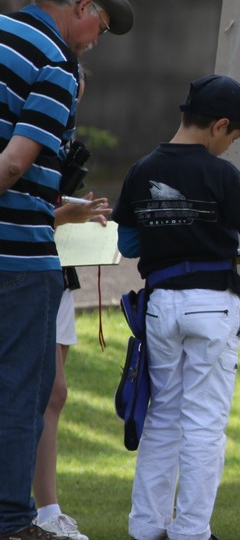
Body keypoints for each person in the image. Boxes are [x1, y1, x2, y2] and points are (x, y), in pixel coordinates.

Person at [114, 74, 240, 540]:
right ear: (220, 125)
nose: (232, 144)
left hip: (159, 307)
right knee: (204, 422)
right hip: (210, 305)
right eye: (235, 135)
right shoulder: (221, 173)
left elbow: (129, 244)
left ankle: (147, 527)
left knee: (163, 416)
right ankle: (191, 531)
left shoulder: (141, 169)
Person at [0, 0, 133, 540]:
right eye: (100, 27)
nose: (95, 42)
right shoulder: (55, 65)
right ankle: (11, 521)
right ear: (80, 7)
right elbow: (12, 165)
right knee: (21, 392)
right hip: (21, 265)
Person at [32, 195, 112, 540]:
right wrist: (61, 216)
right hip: (23, 275)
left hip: (58, 272)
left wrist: (76, 213)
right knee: (29, 392)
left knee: (54, 393)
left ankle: (47, 511)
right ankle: (27, 511)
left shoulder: (52, 145)